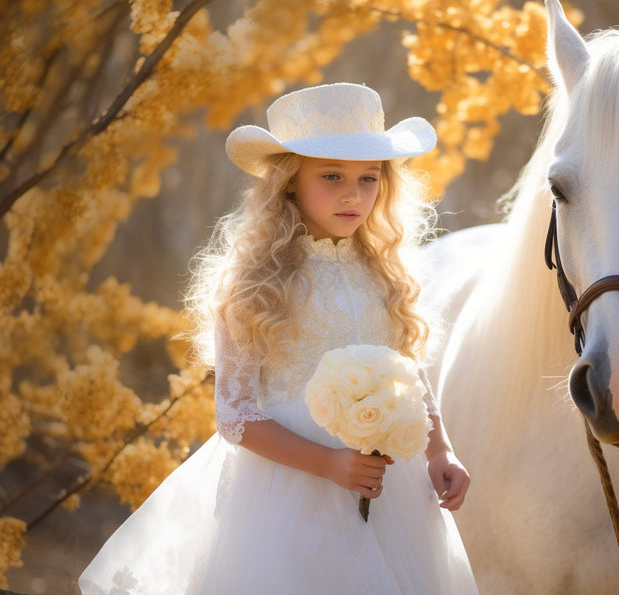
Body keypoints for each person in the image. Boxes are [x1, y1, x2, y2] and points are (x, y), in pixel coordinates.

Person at [79, 83, 478, 594]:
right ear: (290, 181)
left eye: (368, 178)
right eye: (331, 176)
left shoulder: (385, 272)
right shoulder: (255, 282)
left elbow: (407, 371)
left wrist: (440, 450)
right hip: (290, 492)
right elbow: (235, 414)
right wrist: (330, 463)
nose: (353, 194)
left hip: (389, 493)